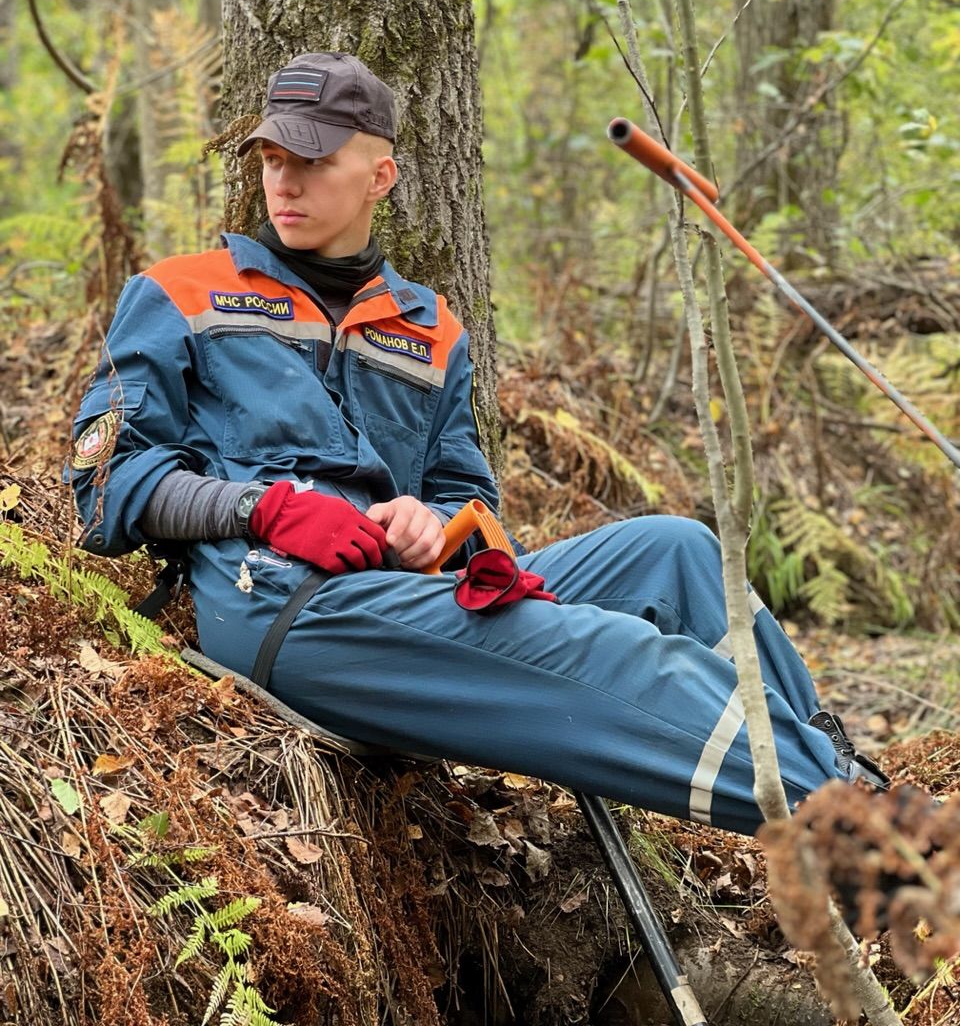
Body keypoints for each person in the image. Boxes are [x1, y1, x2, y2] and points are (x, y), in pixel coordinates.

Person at [68, 51, 887, 838]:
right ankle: (859, 829)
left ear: (380, 176)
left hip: (404, 595)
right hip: (282, 606)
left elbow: (471, 501)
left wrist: (434, 524)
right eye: (273, 156)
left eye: (313, 161)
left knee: (680, 551)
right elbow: (104, 488)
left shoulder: (430, 327)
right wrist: (265, 508)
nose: (285, 180)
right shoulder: (178, 292)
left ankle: (844, 779)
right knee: (612, 654)